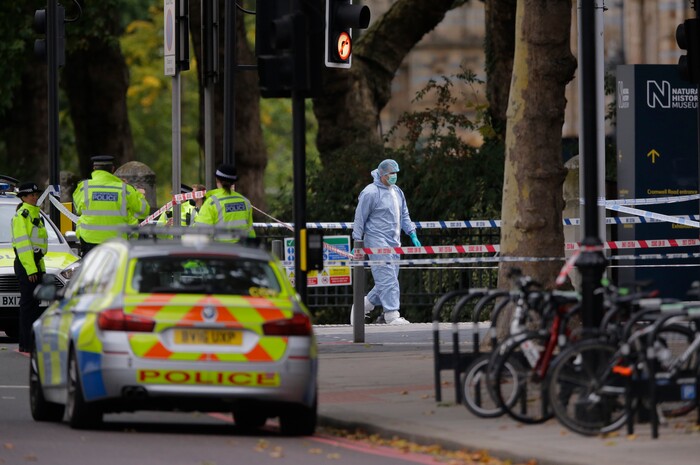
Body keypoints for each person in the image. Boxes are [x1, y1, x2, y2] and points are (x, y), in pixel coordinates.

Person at [351, 159, 421, 325]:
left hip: (394, 242)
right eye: (390, 173)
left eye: (395, 173)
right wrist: (357, 241)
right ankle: (391, 314)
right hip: (376, 241)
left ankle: (362, 306)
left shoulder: (397, 192)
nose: (394, 176)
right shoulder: (370, 193)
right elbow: (359, 218)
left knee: (388, 279)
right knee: (387, 278)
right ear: (382, 174)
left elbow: (404, 215)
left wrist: (412, 233)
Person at [72, 155, 149, 256]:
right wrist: (138, 194)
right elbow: (143, 212)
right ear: (113, 169)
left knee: (92, 271)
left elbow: (78, 209)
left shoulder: (84, 187)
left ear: (94, 169)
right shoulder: (125, 189)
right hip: (117, 243)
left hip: (89, 241)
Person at [11, 182, 48, 352]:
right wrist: (31, 269)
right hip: (26, 265)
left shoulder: (37, 215)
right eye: (31, 195)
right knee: (27, 307)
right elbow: (23, 246)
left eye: (36, 194)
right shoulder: (22, 216)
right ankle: (25, 345)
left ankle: (32, 343)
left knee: (34, 306)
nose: (35, 197)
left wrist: (40, 267)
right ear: (23, 198)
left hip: (35, 264)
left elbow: (39, 246)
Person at [194, 164, 255, 240]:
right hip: (241, 249)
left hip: (221, 250)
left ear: (217, 179)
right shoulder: (245, 202)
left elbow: (201, 232)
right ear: (233, 182)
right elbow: (250, 231)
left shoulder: (212, 202)